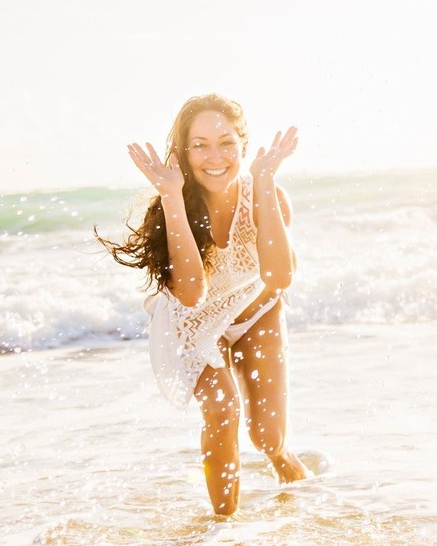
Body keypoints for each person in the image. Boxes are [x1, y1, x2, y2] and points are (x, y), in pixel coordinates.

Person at [97, 94, 310, 515]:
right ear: (183, 152)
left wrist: (264, 180)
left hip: (257, 310)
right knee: (222, 408)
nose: (215, 156)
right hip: (194, 324)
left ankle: (303, 496)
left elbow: (279, 277)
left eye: (226, 143)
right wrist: (172, 196)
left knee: (269, 438)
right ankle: (224, 532)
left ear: (243, 147)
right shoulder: (168, 207)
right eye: (200, 145)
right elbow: (191, 294)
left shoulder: (267, 192)